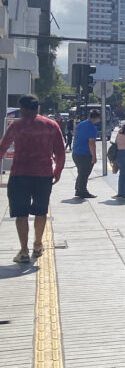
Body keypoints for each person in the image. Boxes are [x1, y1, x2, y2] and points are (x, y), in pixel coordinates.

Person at [0, 96, 67, 263]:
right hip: (43, 174)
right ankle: (38, 245)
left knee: (21, 214)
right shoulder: (51, 125)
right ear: (37, 107)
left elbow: (3, 146)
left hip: (20, 173)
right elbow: (60, 151)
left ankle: (23, 251)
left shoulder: (16, 125)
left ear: (22, 108)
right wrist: (57, 171)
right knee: (40, 211)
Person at [72, 109, 102, 198]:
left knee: (81, 172)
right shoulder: (92, 128)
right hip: (85, 154)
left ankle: (78, 189)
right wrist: (94, 156)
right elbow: (91, 143)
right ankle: (82, 190)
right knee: (85, 173)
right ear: (96, 118)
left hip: (76, 152)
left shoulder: (81, 124)